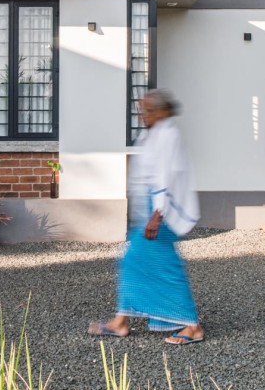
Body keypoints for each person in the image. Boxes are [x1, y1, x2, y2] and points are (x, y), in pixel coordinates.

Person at [88, 89, 205, 345]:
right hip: (150, 211)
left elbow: (166, 175)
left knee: (164, 266)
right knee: (133, 263)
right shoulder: (152, 134)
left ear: (163, 111)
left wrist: (157, 213)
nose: (144, 115)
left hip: (160, 212)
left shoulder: (168, 135)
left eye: (149, 110)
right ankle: (121, 321)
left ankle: (192, 326)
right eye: (142, 110)